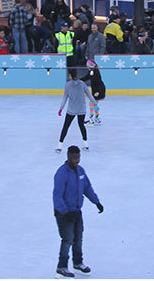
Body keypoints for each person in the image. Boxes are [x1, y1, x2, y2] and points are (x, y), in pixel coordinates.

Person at [52, 144, 103, 278]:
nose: (77, 160)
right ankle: (61, 267)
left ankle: (78, 263)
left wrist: (96, 202)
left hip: (76, 211)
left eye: (78, 157)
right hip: (64, 213)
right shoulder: (62, 173)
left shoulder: (80, 171)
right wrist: (64, 212)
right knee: (68, 239)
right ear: (68, 156)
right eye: (74, 158)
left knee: (78, 238)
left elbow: (87, 188)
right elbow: (57, 196)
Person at [57, 71, 91, 151]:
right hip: (81, 109)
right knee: (81, 126)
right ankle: (86, 145)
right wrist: (95, 105)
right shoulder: (82, 84)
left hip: (71, 110)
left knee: (66, 126)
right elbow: (89, 95)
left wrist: (61, 109)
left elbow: (65, 98)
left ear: (70, 76)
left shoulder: (68, 85)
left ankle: (59, 146)